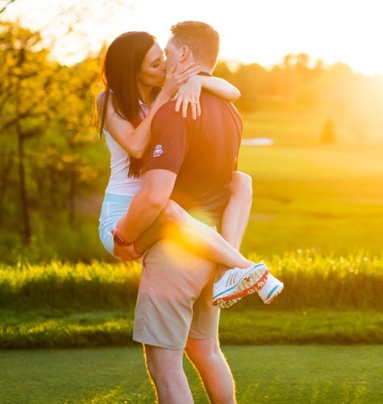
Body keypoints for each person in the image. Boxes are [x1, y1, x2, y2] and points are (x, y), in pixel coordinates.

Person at [113, 21, 258, 402]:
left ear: (184, 54)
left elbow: (157, 194)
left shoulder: (178, 108)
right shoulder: (230, 111)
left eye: (168, 52)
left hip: (177, 254)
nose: (164, 60)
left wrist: (125, 237)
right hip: (214, 251)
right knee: (206, 351)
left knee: (165, 365)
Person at [96, 30, 283, 308]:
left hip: (155, 203)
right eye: (155, 64)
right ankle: (249, 269)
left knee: (240, 181)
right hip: (123, 218)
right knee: (168, 208)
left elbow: (234, 92)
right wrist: (168, 93)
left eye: (161, 57)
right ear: (134, 72)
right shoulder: (108, 100)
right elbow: (136, 145)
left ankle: (226, 273)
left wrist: (196, 80)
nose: (164, 66)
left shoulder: (166, 88)